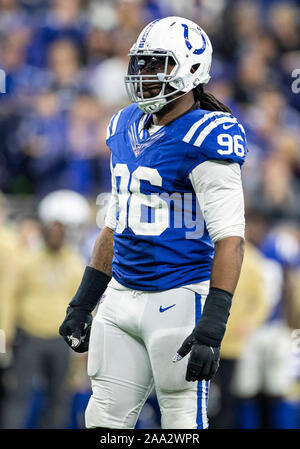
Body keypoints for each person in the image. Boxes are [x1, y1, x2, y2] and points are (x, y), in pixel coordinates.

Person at [59, 16, 247, 429]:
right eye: (141, 64)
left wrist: (213, 326)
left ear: (192, 69)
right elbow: (115, 223)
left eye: (157, 64)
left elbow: (230, 239)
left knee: (181, 425)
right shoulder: (124, 123)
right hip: (121, 295)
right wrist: (83, 301)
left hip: (179, 296)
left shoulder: (209, 133)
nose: (144, 75)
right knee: (104, 420)